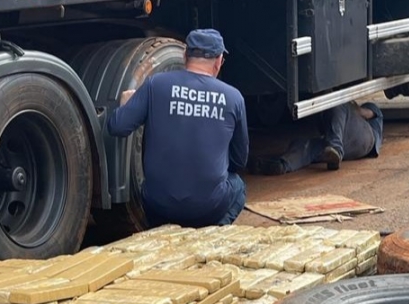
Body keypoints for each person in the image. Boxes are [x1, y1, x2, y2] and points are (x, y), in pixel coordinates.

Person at [106, 29, 249, 228]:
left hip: (158, 206)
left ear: (184, 56)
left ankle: (161, 228)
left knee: (153, 191)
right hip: (208, 208)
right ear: (218, 61)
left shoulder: (156, 84)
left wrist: (125, 106)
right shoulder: (233, 97)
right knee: (238, 187)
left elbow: (117, 127)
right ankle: (216, 230)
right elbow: (239, 160)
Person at [249, 101, 383, 175]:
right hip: (350, 144)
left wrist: (356, 108)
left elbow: (370, 113)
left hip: (366, 139)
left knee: (338, 102)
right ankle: (282, 165)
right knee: (306, 146)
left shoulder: (371, 112)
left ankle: (336, 148)